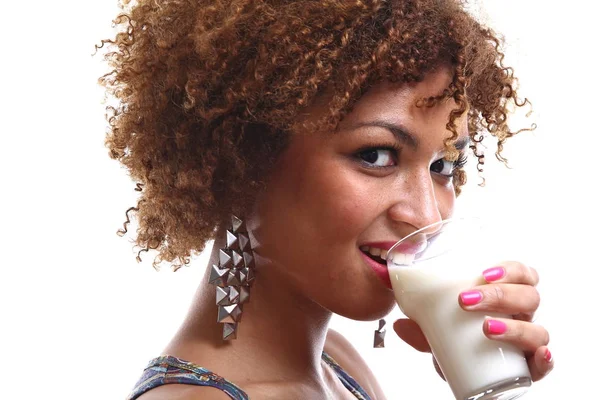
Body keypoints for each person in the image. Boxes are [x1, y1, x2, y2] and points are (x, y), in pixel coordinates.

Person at [98, 0, 553, 398]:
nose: (425, 216)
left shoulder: (338, 364)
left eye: (443, 167)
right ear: (242, 161)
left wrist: (483, 382)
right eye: (376, 155)